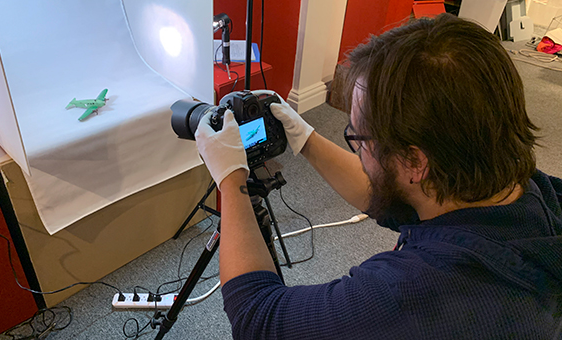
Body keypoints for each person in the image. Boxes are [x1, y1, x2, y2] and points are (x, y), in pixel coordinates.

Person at [194, 13, 562, 340]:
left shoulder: (411, 293)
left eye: (357, 135)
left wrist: (231, 180)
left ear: (414, 162)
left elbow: (258, 316)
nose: (355, 143)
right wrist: (304, 138)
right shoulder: (524, 188)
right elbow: (393, 199)